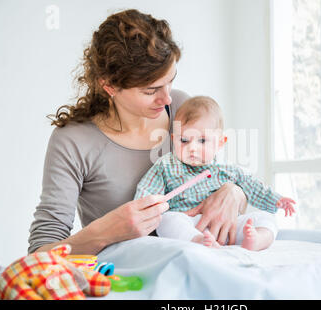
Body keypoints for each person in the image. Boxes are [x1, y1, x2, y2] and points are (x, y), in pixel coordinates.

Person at [28, 9, 248, 255]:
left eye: (170, 81)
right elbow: (40, 252)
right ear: (109, 85)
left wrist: (234, 193)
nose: (166, 98)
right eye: (150, 90)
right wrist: (107, 231)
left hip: (199, 261)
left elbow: (220, 175)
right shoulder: (74, 141)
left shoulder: (180, 109)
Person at [134, 96, 296, 251]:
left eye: (202, 141)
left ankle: (257, 239)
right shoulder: (167, 165)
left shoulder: (228, 170)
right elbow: (146, 192)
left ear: (219, 143)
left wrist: (277, 200)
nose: (192, 148)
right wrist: (142, 211)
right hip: (189, 223)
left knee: (267, 219)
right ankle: (198, 241)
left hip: (226, 225)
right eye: (184, 140)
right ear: (173, 138)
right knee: (167, 221)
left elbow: (253, 188)